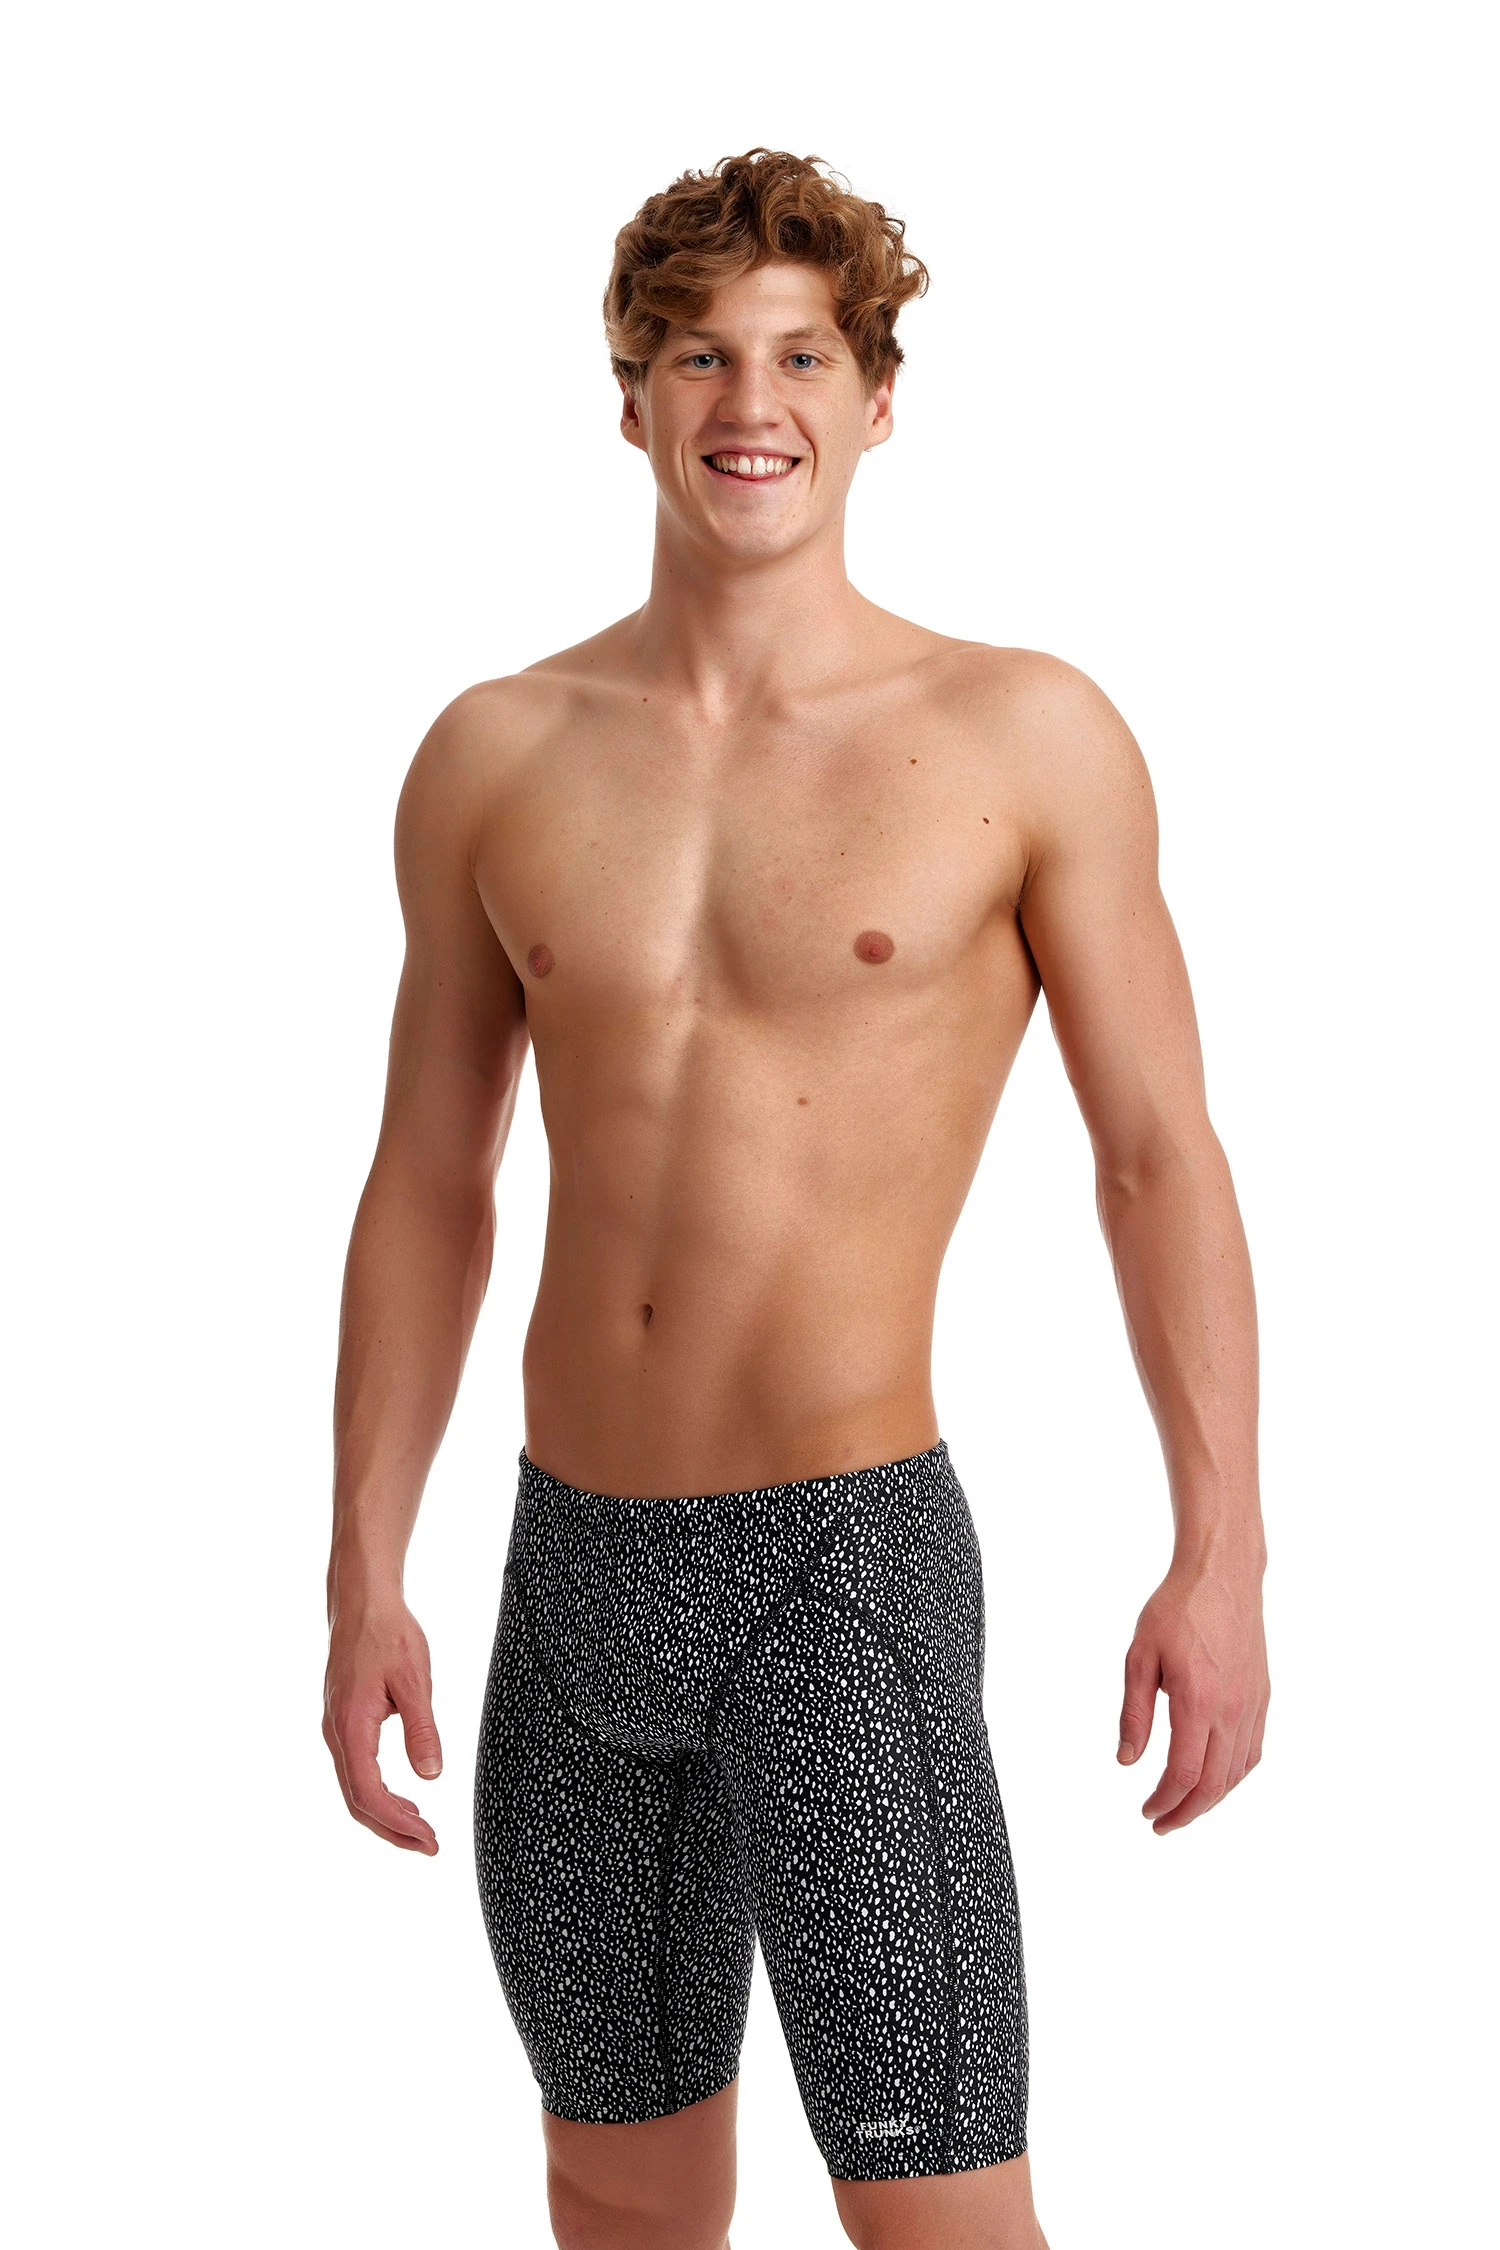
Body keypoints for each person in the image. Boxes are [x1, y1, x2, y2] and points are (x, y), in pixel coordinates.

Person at [322, 147, 1270, 2250]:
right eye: (697, 357)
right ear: (631, 400)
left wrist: (1224, 1552)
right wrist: (362, 1566)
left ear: (876, 399)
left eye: (800, 356)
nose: (748, 400)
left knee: (939, 2216)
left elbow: (1155, 1154)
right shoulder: (496, 751)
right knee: (616, 2198)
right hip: (569, 1578)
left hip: (834, 1574)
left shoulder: (1023, 736)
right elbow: (428, 1181)